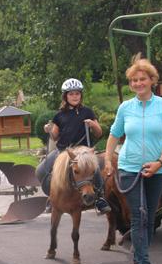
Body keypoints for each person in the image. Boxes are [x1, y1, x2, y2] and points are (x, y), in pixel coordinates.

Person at [103, 55, 162, 264]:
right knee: (139, 215)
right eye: (134, 80)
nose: (138, 83)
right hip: (129, 169)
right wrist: (107, 159)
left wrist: (159, 161)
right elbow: (114, 134)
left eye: (142, 79)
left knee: (150, 217)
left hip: (157, 169)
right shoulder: (125, 108)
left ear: (152, 80)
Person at [35, 78, 111, 214]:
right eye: (71, 94)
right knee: (41, 170)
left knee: (96, 169)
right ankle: (53, 197)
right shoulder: (59, 115)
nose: (75, 96)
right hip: (64, 150)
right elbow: (55, 136)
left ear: (81, 95)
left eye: (77, 93)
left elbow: (99, 133)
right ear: (65, 96)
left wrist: (93, 124)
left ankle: (100, 199)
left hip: (83, 151)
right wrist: (49, 129)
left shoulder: (87, 112)